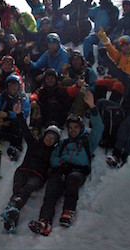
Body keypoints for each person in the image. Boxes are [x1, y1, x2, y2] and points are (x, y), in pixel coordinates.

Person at [29, 91, 103, 236]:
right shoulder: (63, 143)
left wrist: (93, 107)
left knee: (73, 179)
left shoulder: (88, 141)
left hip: (78, 171)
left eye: (76, 128)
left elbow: (99, 128)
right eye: (70, 128)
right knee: (52, 188)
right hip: (62, 170)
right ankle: (44, 221)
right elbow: (54, 157)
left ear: (81, 128)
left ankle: (68, 212)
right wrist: (60, 164)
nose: (73, 130)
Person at [0, 101, 62, 233]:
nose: (49, 140)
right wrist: (19, 114)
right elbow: (25, 130)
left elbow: (56, 164)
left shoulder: (53, 153)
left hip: (37, 176)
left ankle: (13, 208)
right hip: (23, 170)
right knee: (18, 188)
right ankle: (12, 218)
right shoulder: (34, 143)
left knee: (28, 187)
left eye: (53, 139)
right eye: (48, 136)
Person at [83, 0, 119, 68]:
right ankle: (89, 60)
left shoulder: (113, 9)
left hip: (108, 34)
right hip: (98, 34)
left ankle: (102, 63)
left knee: (101, 43)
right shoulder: (98, 9)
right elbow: (86, 11)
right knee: (87, 40)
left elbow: (114, 22)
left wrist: (106, 31)